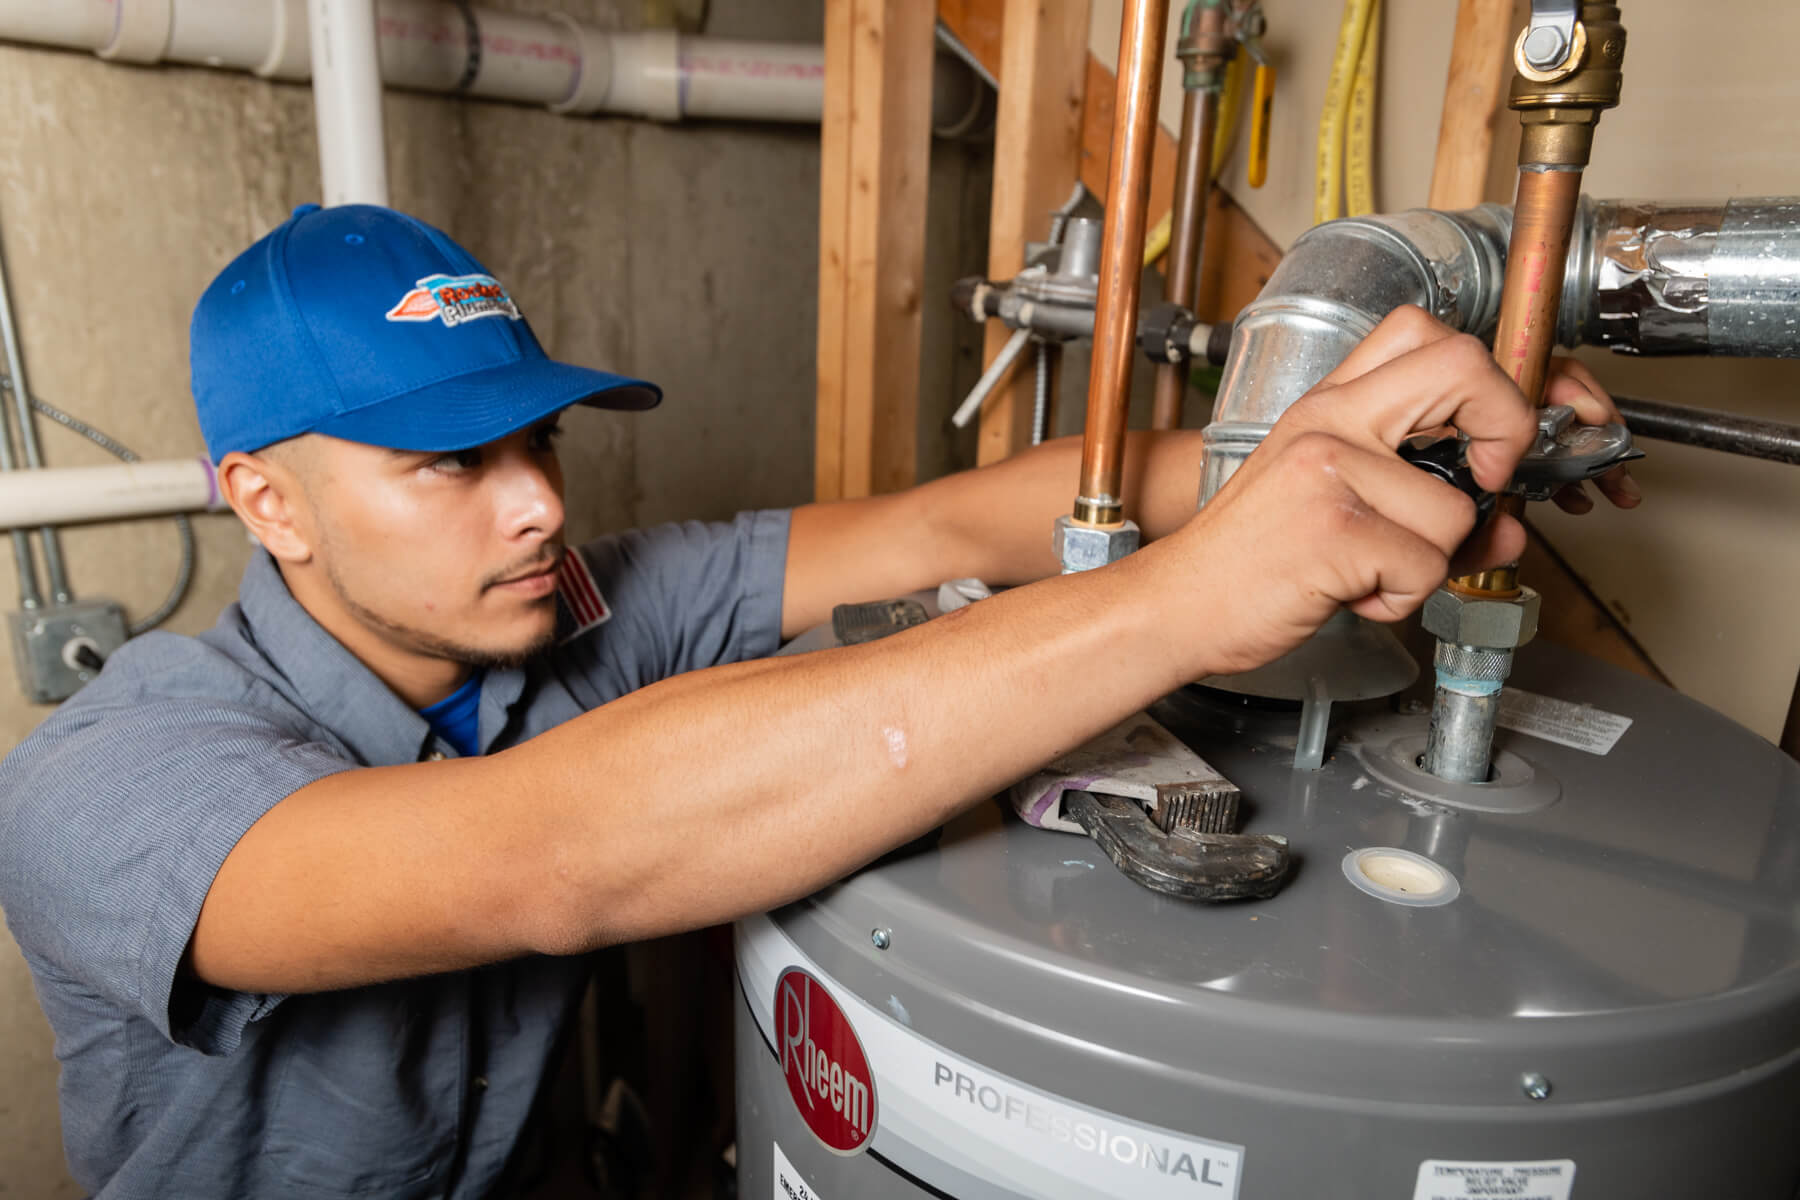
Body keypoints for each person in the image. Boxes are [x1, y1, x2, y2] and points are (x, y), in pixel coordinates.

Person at [0, 203, 1636, 1198]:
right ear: (267, 503)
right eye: (449, 465)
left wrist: (1314, 450)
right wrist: (1189, 597)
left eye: (538, 441)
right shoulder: (107, 782)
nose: (539, 506)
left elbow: (939, 529)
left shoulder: (572, 614)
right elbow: (542, 854)